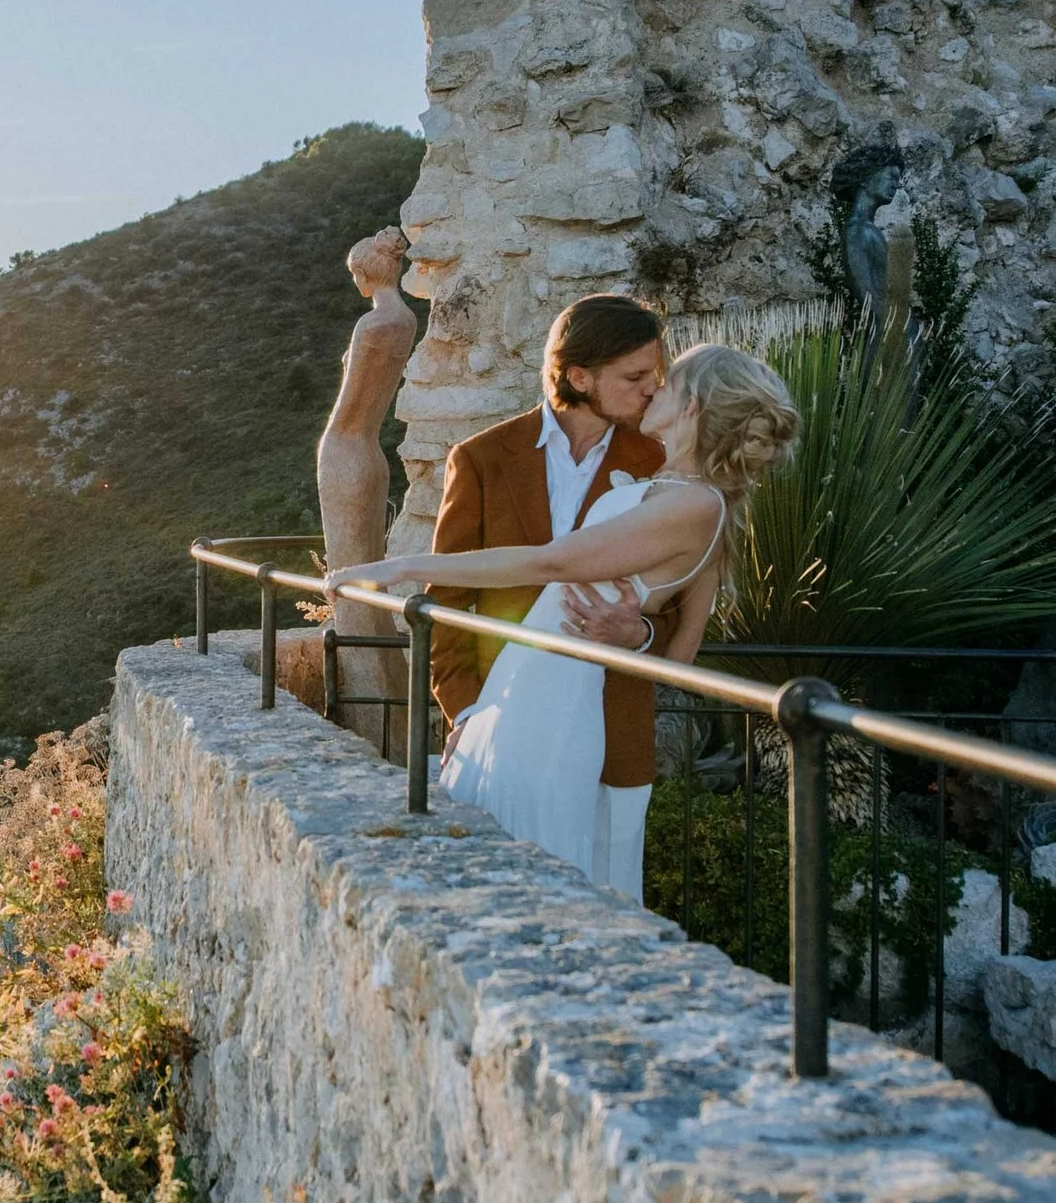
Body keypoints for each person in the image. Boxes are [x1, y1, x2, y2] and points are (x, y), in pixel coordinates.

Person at [327, 343, 800, 897]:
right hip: (522, 690)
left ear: (693, 406)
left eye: (667, 382)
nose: (652, 388)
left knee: (527, 882)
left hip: (554, 708)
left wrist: (402, 566)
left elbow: (554, 564)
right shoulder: (680, 495)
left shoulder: (696, 506)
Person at [429, 296, 672, 869]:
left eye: (656, 376)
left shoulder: (660, 463)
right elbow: (446, 602)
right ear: (580, 376)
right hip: (507, 725)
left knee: (612, 897)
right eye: (635, 377)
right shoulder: (482, 459)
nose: (652, 392)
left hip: (616, 732)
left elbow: (682, 606)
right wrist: (467, 712)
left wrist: (637, 632)